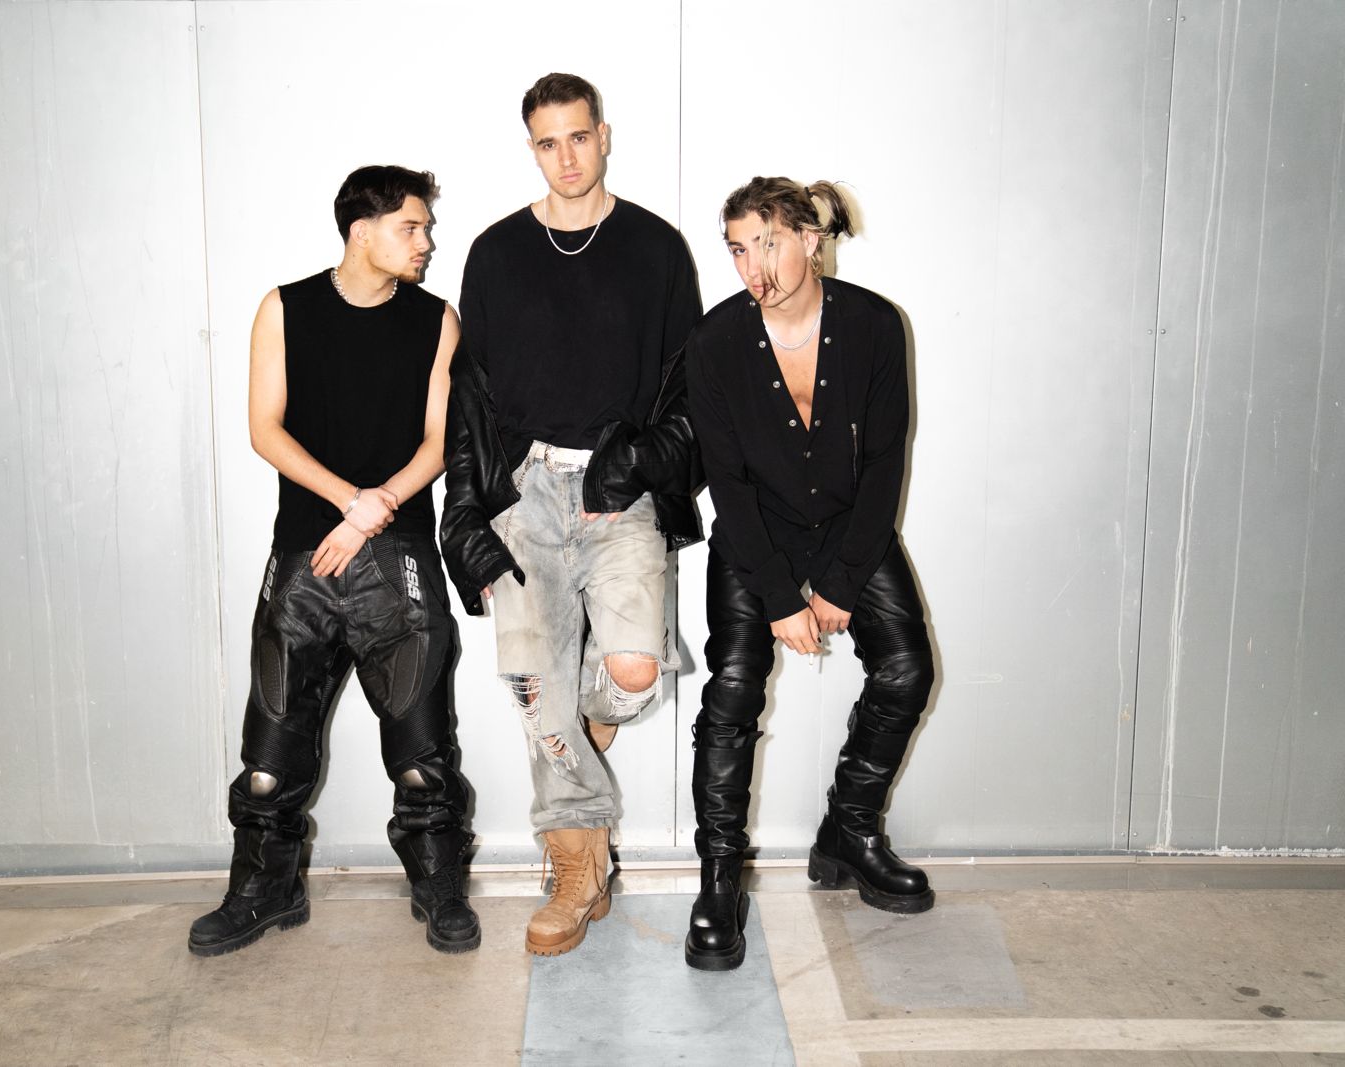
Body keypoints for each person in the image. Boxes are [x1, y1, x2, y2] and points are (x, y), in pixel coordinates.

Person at [440, 73, 703, 957]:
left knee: (630, 671)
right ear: (532, 148)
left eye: (579, 137)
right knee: (533, 683)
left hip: (618, 489)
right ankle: (575, 867)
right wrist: (464, 512)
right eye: (548, 143)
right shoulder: (495, 252)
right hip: (525, 491)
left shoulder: (656, 248)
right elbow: (470, 397)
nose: (567, 157)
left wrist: (644, 464)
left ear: (605, 135)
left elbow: (689, 388)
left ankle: (579, 728)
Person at [189, 166, 478, 958]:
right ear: (362, 231)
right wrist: (351, 502)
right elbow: (265, 428)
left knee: (422, 755)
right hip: (305, 554)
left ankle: (438, 883)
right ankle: (265, 889)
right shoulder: (285, 308)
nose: (425, 242)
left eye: (425, 228)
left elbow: (440, 441)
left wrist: (377, 510)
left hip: (399, 556)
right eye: (411, 227)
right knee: (269, 760)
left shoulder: (436, 320)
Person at [682, 177, 936, 971]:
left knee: (907, 667)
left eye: (767, 243)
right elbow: (727, 484)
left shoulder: (873, 325)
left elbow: (886, 461)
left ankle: (848, 832)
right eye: (737, 249)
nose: (752, 266)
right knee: (733, 686)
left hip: (848, 525)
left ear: (810, 239)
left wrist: (841, 580)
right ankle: (719, 878)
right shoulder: (715, 342)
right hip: (755, 532)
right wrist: (780, 597)